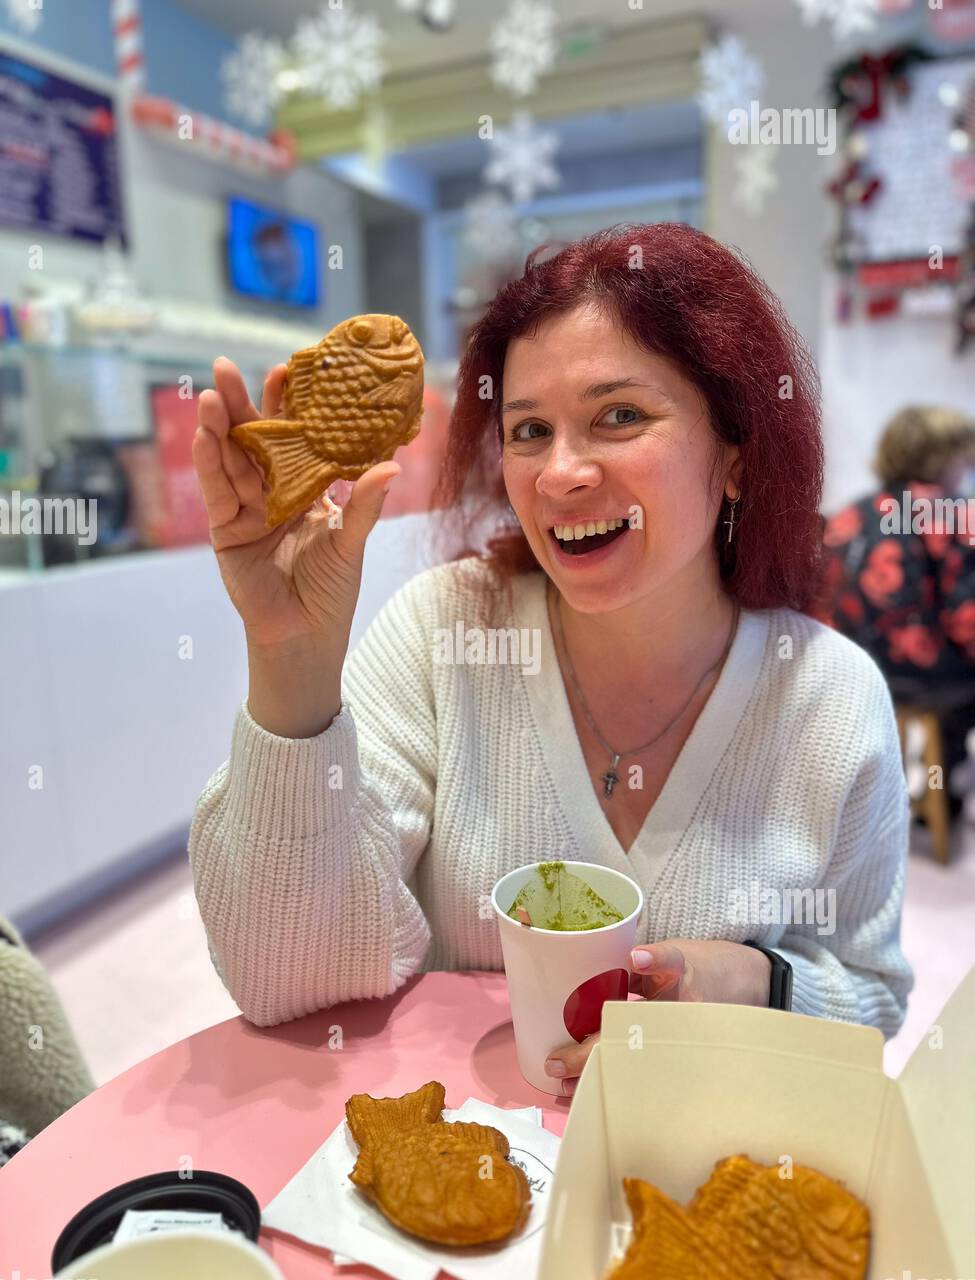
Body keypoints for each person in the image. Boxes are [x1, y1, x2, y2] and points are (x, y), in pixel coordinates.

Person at [189, 224, 913, 1096]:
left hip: (694, 1180)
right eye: (529, 429)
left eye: (619, 416)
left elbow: (870, 1000)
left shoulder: (829, 698)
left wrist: (753, 981)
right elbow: (285, 982)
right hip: (468, 1183)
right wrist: (288, 658)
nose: (559, 474)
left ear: (734, 457)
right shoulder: (445, 631)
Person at [818, 406, 975, 812]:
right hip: (918, 676)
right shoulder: (951, 513)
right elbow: (965, 620)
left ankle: (925, 787)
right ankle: (944, 796)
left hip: (849, 667)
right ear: (942, 458)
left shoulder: (853, 512)